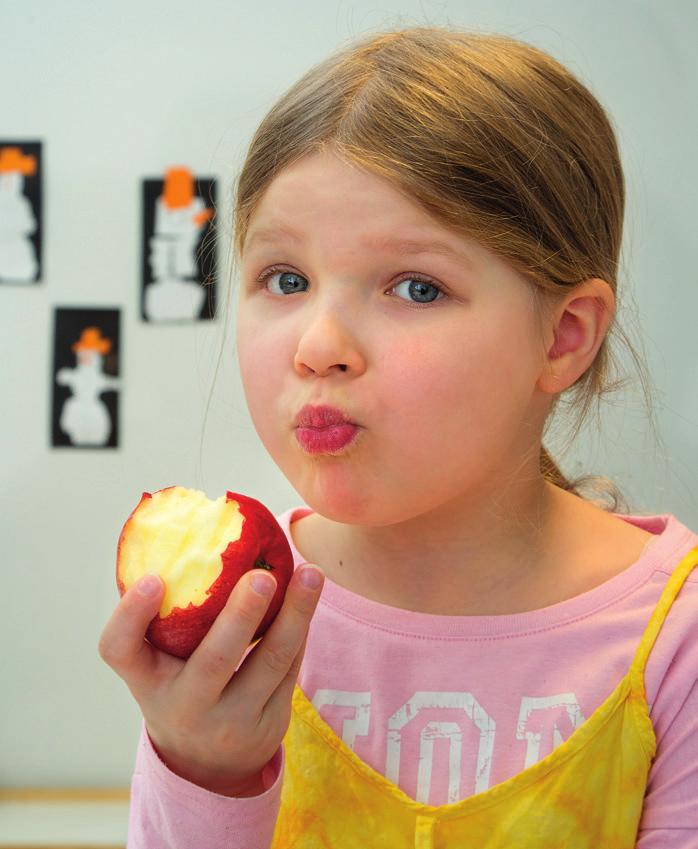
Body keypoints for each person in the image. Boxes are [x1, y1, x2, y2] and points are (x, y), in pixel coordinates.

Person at [98, 25, 698, 848]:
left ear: (563, 336)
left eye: (416, 287)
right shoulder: (240, 624)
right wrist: (205, 772)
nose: (318, 345)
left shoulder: (676, 642)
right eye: (285, 279)